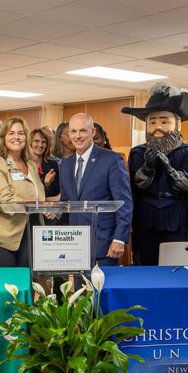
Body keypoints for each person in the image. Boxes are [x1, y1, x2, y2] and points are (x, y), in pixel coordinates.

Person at [123, 81, 188, 266]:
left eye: (164, 121)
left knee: (175, 267)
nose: (157, 127)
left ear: (178, 124)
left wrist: (169, 169)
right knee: (146, 265)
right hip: (145, 221)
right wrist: (148, 167)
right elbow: (137, 185)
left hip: (177, 220)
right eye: (152, 122)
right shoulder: (138, 153)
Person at [0, 117, 45, 267]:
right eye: (11, 133)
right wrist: (39, 205)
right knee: (3, 287)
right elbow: (3, 199)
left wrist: (45, 207)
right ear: (3, 137)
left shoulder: (31, 165)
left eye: (21, 133)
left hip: (28, 232)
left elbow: (37, 195)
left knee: (25, 285)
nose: (16, 137)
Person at [60, 113, 133, 266]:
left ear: (93, 132)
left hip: (104, 245)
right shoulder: (66, 164)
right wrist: (54, 210)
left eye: (82, 131)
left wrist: (119, 238)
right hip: (75, 246)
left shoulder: (112, 159)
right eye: (73, 131)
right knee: (80, 289)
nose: (77, 136)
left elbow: (124, 203)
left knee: (103, 290)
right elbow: (66, 203)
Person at [30, 128, 60, 201]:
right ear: (30, 143)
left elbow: (56, 193)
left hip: (48, 209)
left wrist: (47, 185)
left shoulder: (53, 165)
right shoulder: (23, 164)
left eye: (43, 142)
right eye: (36, 141)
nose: (40, 145)